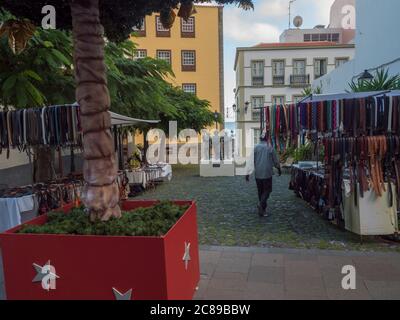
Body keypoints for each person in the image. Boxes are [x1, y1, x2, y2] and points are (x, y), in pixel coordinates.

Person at [246, 131, 281, 217]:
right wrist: (279, 169)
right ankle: (261, 205)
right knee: (267, 190)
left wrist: (247, 173)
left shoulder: (256, 147)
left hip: (258, 174)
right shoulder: (270, 148)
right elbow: (275, 160)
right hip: (267, 173)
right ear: (267, 139)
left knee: (260, 192)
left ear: (260, 139)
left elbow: (250, 161)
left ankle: (262, 210)